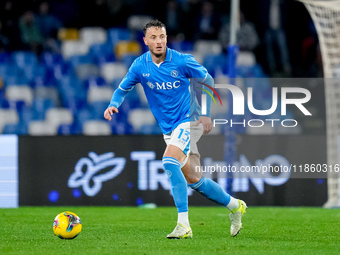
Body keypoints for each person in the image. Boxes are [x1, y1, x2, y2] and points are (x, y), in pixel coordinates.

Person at [104, 20, 247, 239]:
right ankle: (235, 205)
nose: (159, 41)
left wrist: (207, 113)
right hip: (169, 129)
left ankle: (184, 225)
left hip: (190, 120)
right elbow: (122, 89)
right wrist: (114, 104)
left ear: (166, 38)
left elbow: (207, 79)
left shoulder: (181, 60)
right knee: (195, 180)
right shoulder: (140, 66)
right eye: (153, 37)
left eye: (162, 36)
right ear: (145, 41)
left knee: (169, 160)